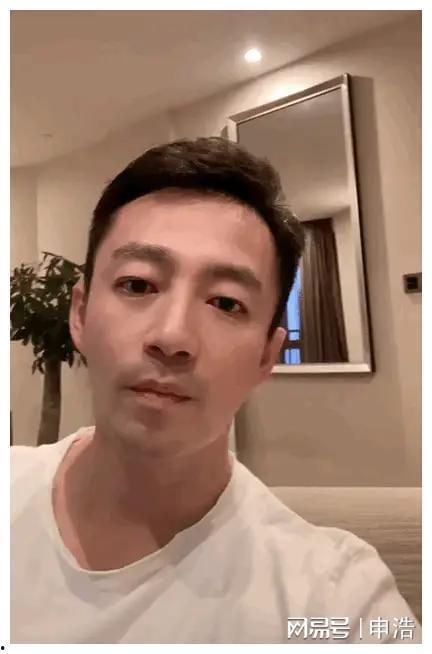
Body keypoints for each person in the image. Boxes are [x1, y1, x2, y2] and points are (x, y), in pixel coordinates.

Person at [11, 137, 421, 644]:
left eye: (226, 303)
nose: (172, 336)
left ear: (267, 355)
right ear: (80, 314)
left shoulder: (337, 598)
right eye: (138, 285)